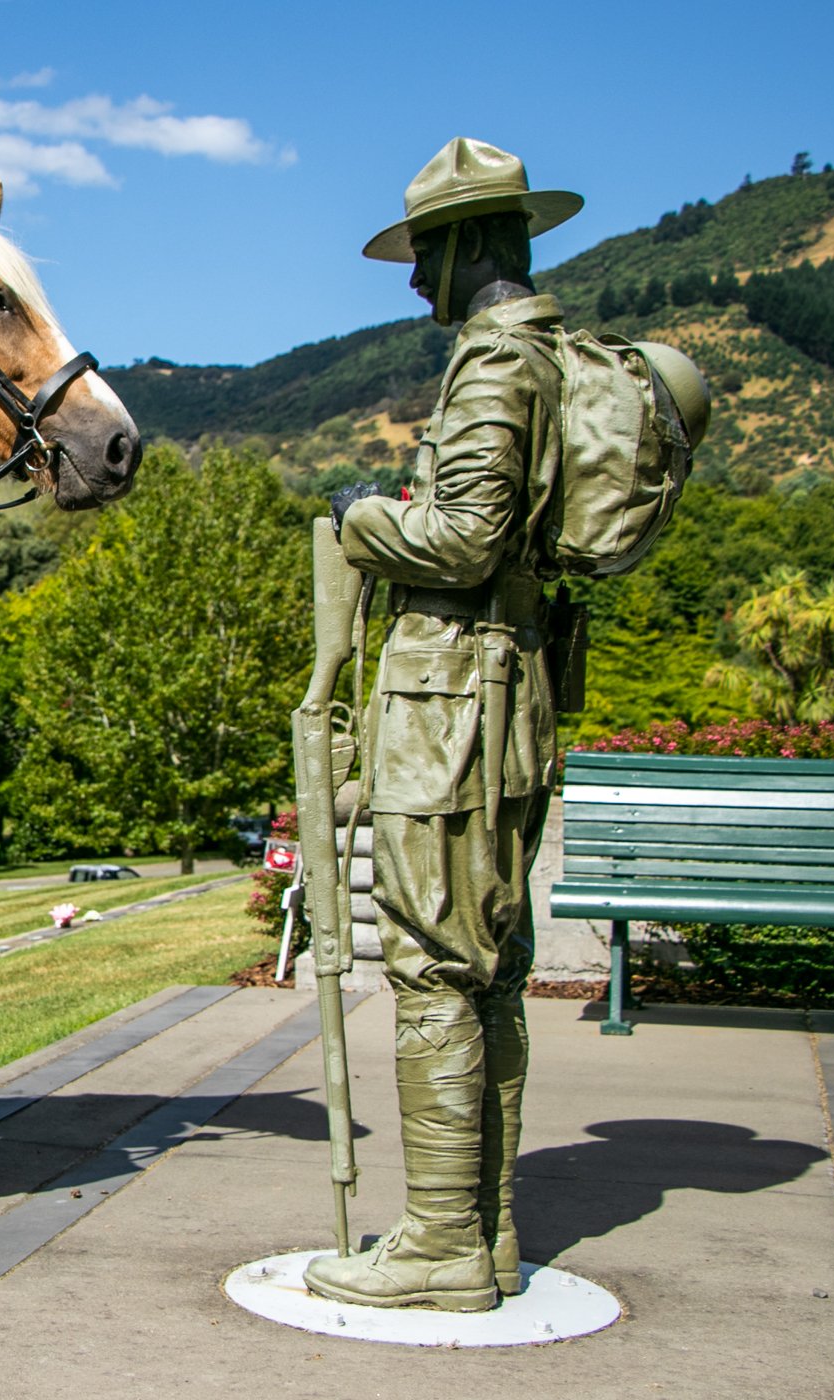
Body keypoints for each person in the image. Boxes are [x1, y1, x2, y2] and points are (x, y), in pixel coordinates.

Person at [304, 139, 582, 1313]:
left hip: (451, 706)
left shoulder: (492, 364)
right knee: (492, 972)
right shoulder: (554, 355)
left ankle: (436, 1244)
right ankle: (491, 1227)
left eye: (425, 254)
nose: (417, 283)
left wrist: (363, 516)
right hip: (510, 696)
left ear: (472, 244)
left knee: (432, 965)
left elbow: (462, 543)